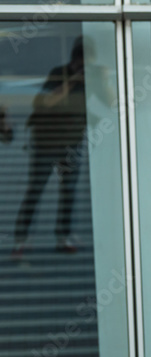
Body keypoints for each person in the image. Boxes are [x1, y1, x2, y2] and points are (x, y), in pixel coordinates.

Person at [13, 37, 88, 258]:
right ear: (73, 60)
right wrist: (73, 80)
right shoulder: (59, 73)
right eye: (79, 63)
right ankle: (21, 239)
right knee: (35, 190)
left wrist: (101, 79)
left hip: (72, 143)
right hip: (46, 142)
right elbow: (43, 103)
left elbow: (111, 103)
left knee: (69, 192)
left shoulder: (93, 79)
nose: (81, 68)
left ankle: (63, 236)